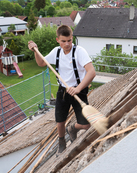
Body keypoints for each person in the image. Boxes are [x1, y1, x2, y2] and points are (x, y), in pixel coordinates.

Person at [28, 25, 96, 155]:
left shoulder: (79, 52)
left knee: (86, 125)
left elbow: (91, 72)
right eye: (63, 41)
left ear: (72, 39)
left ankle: (72, 129)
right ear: (57, 40)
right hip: (63, 91)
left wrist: (78, 88)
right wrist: (35, 52)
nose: (67, 44)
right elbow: (41, 63)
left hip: (79, 90)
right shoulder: (56, 52)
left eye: (69, 40)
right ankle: (61, 142)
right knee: (60, 121)